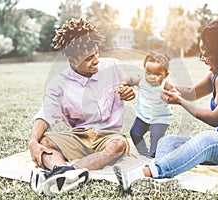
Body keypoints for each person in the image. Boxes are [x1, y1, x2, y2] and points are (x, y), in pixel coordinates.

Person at [113, 17, 218, 195]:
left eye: (206, 53)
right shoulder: (216, 75)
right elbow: (190, 92)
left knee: (206, 139)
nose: (202, 58)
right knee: (168, 141)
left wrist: (180, 101)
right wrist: (161, 86)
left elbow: (214, 118)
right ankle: (162, 179)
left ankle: (143, 174)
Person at [28, 18, 135, 196]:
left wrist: (130, 91)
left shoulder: (113, 65)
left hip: (108, 136)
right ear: (72, 61)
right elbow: (45, 114)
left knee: (118, 145)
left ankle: (65, 172)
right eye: (87, 59)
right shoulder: (58, 84)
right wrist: (33, 143)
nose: (95, 61)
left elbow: (135, 80)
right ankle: (66, 173)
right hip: (78, 136)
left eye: (96, 54)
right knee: (44, 142)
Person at [123, 51, 174, 158]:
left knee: (155, 138)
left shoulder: (165, 85)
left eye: (157, 74)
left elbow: (175, 92)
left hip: (160, 118)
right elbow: (130, 79)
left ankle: (152, 157)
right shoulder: (141, 80)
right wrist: (124, 84)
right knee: (134, 133)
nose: (151, 77)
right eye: (148, 73)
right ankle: (143, 153)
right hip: (143, 116)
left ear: (166, 75)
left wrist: (172, 96)